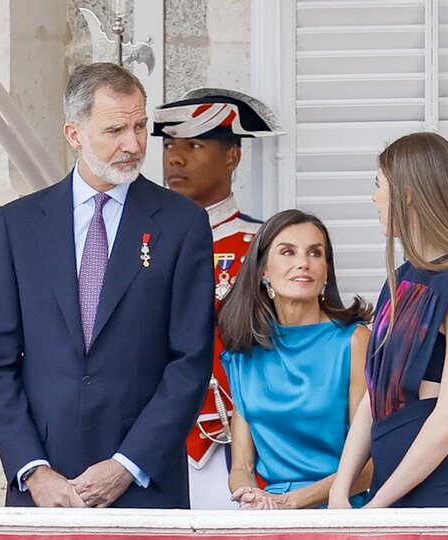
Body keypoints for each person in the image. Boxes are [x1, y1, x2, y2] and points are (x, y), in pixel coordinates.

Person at [0, 62, 215, 509]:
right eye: (115, 129)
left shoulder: (183, 224)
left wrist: (127, 463)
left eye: (141, 126)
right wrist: (33, 469)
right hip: (44, 486)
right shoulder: (17, 225)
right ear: (74, 134)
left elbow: (190, 361)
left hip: (144, 484)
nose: (134, 144)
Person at [328, 132, 448, 508]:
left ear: (407, 193)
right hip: (390, 495)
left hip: (445, 495)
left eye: (378, 186)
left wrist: (376, 509)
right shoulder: (403, 278)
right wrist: (339, 491)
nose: (374, 198)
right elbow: (374, 395)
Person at [153, 88, 284, 509]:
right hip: (153, 438)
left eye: (194, 145)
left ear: (232, 157)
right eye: (170, 145)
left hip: (241, 442)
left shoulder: (263, 245)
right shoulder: (141, 245)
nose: (175, 158)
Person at [217, 209, 374, 509]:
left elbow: (369, 464)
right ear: (262, 270)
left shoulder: (353, 341)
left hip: (340, 512)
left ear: (327, 271)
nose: (303, 262)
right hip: (270, 516)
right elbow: (242, 468)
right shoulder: (244, 353)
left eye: (315, 253)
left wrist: (290, 502)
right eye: (288, 252)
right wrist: (252, 497)